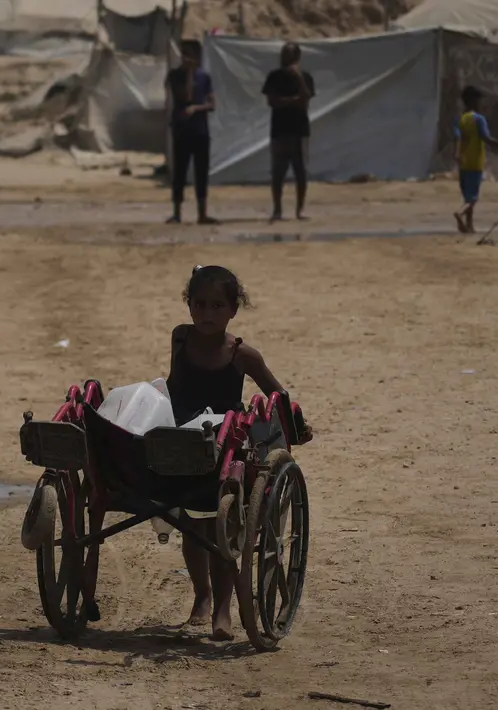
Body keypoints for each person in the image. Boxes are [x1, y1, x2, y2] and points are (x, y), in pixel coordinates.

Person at [165, 265, 283, 640]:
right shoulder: (181, 339)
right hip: (184, 440)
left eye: (217, 306)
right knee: (192, 526)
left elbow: (276, 394)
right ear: (189, 306)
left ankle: (222, 610)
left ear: (233, 309)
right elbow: (173, 388)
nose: (207, 313)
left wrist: (294, 424)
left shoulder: (241, 354)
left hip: (227, 444)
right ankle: (202, 596)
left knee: (223, 529)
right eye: (199, 304)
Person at [166, 39, 218, 225]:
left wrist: (196, 108)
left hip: (199, 130)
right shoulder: (174, 75)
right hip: (182, 130)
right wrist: (188, 74)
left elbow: (212, 104)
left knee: (201, 171)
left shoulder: (204, 77)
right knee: (179, 170)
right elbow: (184, 96)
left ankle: (202, 213)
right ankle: (177, 212)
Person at [262, 42, 315, 222]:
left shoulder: (305, 77)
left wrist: (298, 78)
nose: (285, 58)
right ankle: (277, 209)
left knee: (301, 172)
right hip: (279, 130)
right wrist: (293, 101)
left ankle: (300, 209)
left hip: (299, 130)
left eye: (289, 55)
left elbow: (305, 99)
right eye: (284, 54)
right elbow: (272, 102)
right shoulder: (274, 76)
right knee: (278, 173)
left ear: (297, 57)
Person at [452, 85, 498, 234]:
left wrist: (457, 154)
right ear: (473, 101)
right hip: (475, 162)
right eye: (479, 101)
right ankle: (460, 213)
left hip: (463, 163)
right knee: (473, 198)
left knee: (467, 194)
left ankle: (469, 226)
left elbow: (457, 138)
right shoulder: (479, 119)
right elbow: (486, 138)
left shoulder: (460, 119)